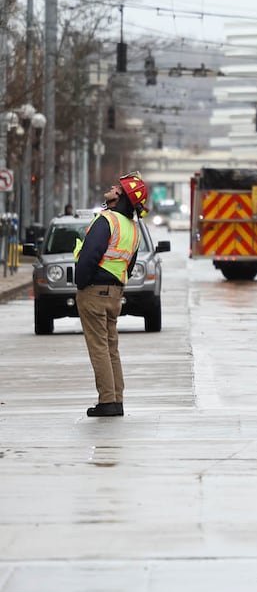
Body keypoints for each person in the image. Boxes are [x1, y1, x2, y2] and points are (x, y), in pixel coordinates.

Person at [75, 172, 151, 418]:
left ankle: (107, 402)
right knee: (111, 348)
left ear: (121, 197)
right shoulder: (133, 229)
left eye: (116, 187)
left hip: (94, 292)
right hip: (115, 293)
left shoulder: (106, 220)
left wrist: (81, 283)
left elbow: (89, 255)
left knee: (98, 348)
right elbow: (128, 265)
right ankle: (116, 399)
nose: (111, 187)